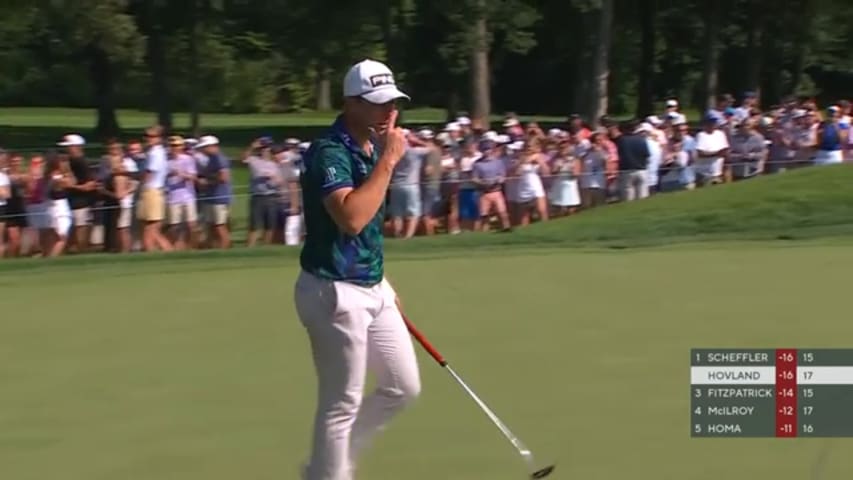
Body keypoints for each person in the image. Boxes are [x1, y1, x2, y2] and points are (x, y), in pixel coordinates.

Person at [293, 59, 421, 480]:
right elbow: (351, 218)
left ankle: (332, 463)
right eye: (378, 103)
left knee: (403, 387)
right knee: (341, 402)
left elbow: (365, 236)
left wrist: (383, 280)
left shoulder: (371, 145)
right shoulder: (329, 151)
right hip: (332, 291)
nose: (389, 112)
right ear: (350, 103)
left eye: (394, 103)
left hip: (370, 285)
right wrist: (389, 162)